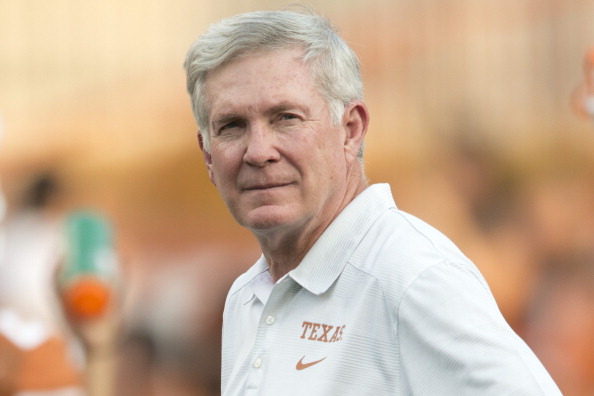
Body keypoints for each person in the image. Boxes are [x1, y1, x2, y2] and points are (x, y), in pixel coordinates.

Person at [183, 8, 562, 395]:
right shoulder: (246, 297)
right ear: (208, 155)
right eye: (232, 126)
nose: (259, 151)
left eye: (286, 118)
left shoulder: (411, 279)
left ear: (351, 131)